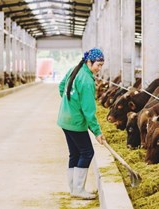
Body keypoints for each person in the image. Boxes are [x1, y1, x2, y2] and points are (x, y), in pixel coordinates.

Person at [57, 48, 106, 199]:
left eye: (101, 65)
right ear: (89, 62)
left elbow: (61, 87)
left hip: (65, 119)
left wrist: (69, 104)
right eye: (98, 65)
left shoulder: (74, 70)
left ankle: (74, 189)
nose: (99, 68)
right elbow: (89, 111)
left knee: (75, 153)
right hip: (75, 122)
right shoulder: (86, 80)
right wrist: (98, 132)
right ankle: (78, 190)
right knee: (87, 152)